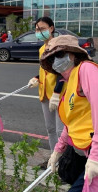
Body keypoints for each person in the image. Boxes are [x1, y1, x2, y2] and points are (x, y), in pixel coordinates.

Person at [41, 35, 98, 192]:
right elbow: (73, 123)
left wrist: (97, 157)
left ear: (73, 55)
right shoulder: (70, 83)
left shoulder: (87, 71)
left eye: (60, 54)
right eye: (52, 58)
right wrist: (57, 152)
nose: (55, 61)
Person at [27, 17, 65, 156]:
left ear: (51, 28)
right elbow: (45, 69)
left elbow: (63, 72)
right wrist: (36, 78)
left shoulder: (59, 47)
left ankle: (63, 162)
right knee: (50, 129)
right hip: (44, 93)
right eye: (37, 29)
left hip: (58, 96)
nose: (39, 32)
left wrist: (56, 93)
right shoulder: (42, 48)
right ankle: (53, 159)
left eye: (42, 28)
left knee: (61, 131)